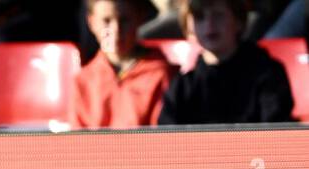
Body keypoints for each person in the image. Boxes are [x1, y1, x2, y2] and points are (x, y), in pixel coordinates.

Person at [158, 0, 294, 123]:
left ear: (239, 21)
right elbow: (167, 139)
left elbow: (275, 134)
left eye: (218, 15)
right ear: (189, 28)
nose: (209, 24)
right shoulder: (182, 87)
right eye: (199, 17)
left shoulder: (268, 75)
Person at [71, 0, 175, 127]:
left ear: (139, 18)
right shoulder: (83, 80)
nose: (116, 30)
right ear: (92, 22)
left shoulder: (162, 74)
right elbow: (76, 140)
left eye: (124, 20)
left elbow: (165, 136)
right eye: (106, 20)